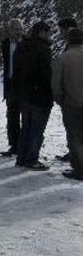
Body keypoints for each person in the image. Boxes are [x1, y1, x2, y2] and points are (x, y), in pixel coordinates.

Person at [15, 21, 54, 171]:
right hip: (40, 97)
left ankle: (21, 158)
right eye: (48, 32)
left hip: (25, 95)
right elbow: (46, 75)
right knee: (37, 130)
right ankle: (31, 159)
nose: (50, 35)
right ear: (41, 33)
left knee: (26, 128)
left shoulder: (23, 47)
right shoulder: (43, 49)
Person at [52, 28, 83, 180]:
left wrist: (60, 100)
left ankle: (79, 169)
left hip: (71, 103)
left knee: (74, 137)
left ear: (69, 40)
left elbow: (56, 84)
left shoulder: (63, 58)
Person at [0, 19, 25, 156]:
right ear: (10, 31)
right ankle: (14, 145)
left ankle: (25, 145)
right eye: (16, 29)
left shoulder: (27, 44)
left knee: (26, 117)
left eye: (20, 29)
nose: (19, 32)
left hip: (23, 86)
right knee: (12, 117)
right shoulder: (5, 44)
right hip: (10, 86)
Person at [56, 18, 79, 162]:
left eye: (62, 30)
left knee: (73, 127)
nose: (60, 33)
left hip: (73, 93)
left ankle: (76, 155)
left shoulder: (72, 47)